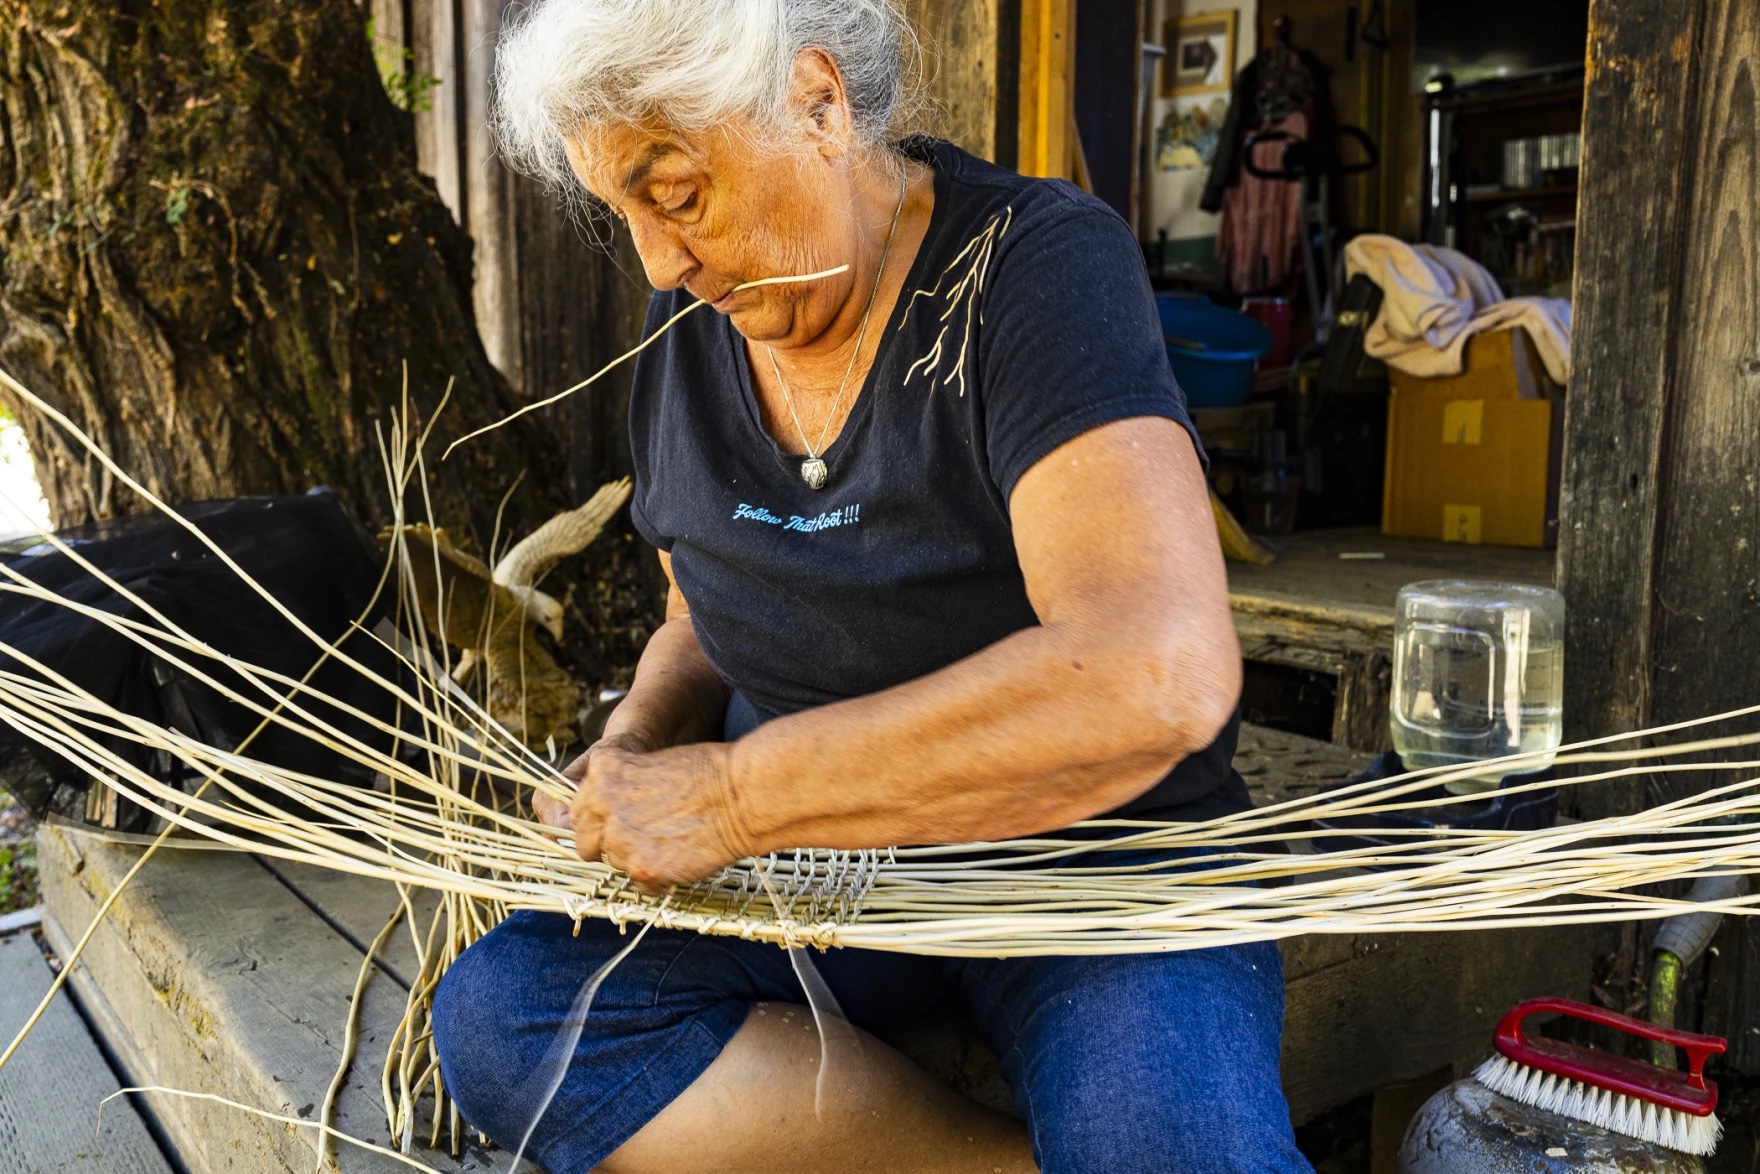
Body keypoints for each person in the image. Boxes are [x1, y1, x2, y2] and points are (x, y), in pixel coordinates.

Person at [432, 3, 1312, 1171]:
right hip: (820, 873)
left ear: (816, 102)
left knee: (1173, 1143)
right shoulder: (683, 336)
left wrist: (742, 796)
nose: (659, 263)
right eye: (624, 217)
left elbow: (1150, 674)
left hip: (1089, 862)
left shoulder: (1030, 264)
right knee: (509, 1018)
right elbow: (699, 610)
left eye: (679, 195)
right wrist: (640, 738)